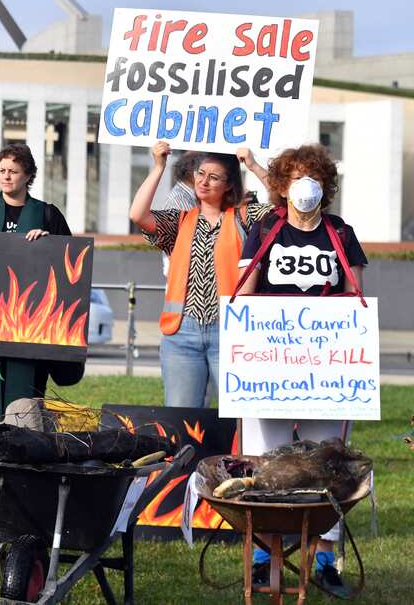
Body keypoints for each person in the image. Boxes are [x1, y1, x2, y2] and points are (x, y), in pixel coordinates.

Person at [235, 143, 366, 597]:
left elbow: (355, 296)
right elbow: (245, 292)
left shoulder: (340, 232)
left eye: (313, 176)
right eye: (296, 176)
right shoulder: (266, 230)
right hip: (270, 361)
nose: (305, 184)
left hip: (326, 365)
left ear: (325, 185)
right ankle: (262, 555)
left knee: (329, 459)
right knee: (266, 460)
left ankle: (326, 557)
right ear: (282, 187)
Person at [130, 141, 272, 407]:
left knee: (241, 415)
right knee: (183, 420)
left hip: (230, 333)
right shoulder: (179, 220)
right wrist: (159, 166)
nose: (203, 182)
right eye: (200, 174)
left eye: (214, 177)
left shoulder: (246, 218)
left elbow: (285, 207)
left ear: (229, 185)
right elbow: (138, 213)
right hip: (182, 333)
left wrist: (252, 166)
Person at [0, 143, 82, 421]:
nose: (6, 177)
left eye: (13, 171)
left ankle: (25, 445)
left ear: (28, 175)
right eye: (2, 170)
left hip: (32, 326)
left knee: (26, 398)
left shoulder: (48, 215)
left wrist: (49, 243)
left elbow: (70, 267)